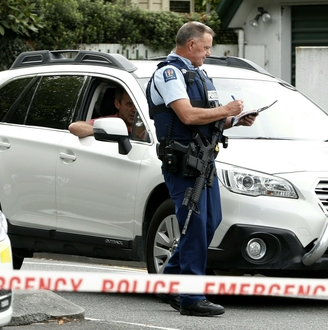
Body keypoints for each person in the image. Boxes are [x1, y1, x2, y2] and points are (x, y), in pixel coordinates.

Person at [146, 21, 255, 317]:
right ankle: (192, 296)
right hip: (183, 161)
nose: (208, 53)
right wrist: (227, 111)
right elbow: (188, 115)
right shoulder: (170, 73)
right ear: (191, 44)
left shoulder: (199, 75)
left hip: (204, 159)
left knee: (209, 222)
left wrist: (235, 120)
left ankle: (170, 280)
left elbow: (209, 116)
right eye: (206, 47)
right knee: (193, 224)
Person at [69, 88, 148, 141]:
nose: (135, 110)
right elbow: (75, 127)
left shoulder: (149, 123)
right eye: (129, 104)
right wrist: (105, 131)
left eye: (138, 105)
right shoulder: (108, 122)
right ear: (117, 104)